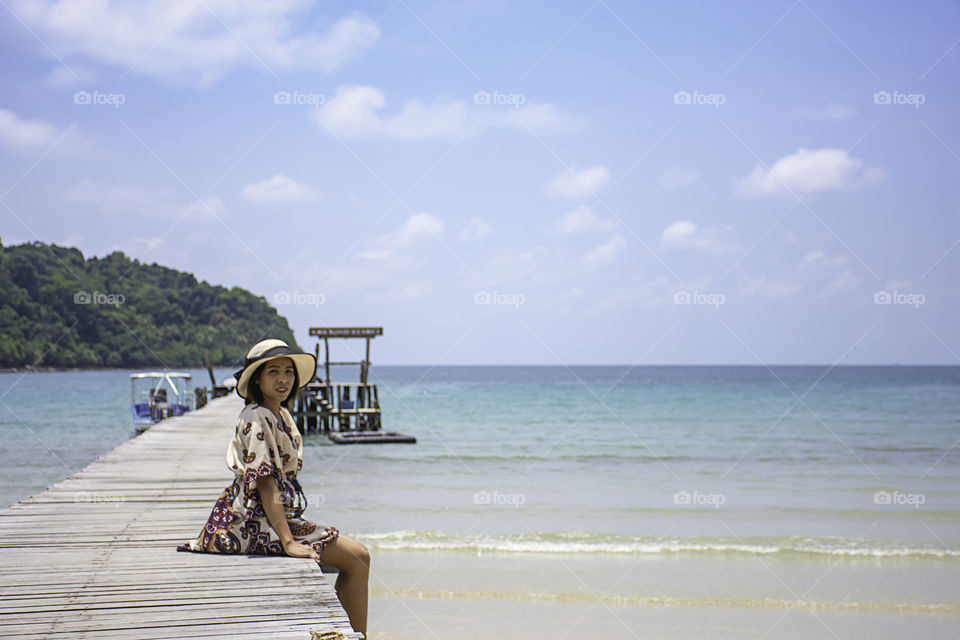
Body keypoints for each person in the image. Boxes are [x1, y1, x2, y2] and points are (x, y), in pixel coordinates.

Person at [178, 339, 370, 635]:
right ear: (257, 378)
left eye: (288, 372)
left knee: (357, 559)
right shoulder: (257, 416)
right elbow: (265, 484)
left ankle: (349, 633)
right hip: (253, 520)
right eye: (273, 372)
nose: (283, 379)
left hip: (265, 516)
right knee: (359, 558)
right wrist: (288, 542)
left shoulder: (279, 413)